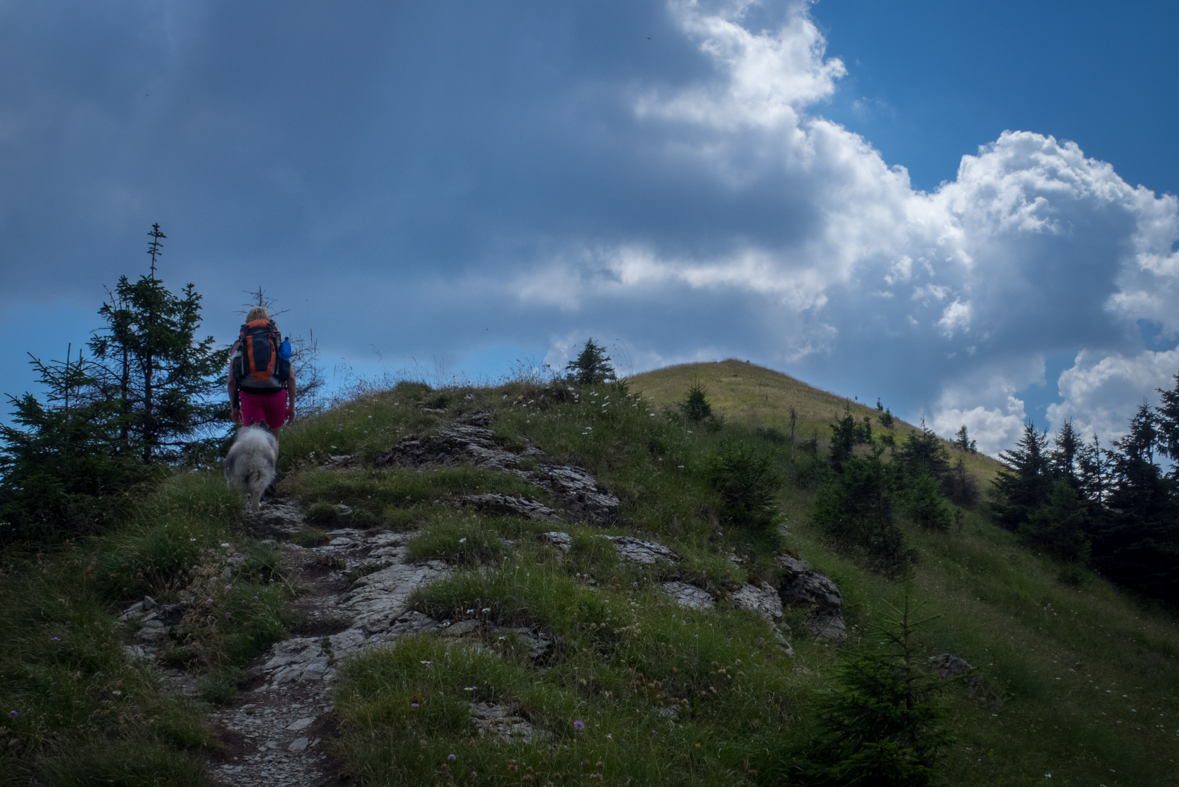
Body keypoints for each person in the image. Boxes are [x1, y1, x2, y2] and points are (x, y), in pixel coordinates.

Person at [228, 306, 296, 449]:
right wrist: (291, 406)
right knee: (273, 439)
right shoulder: (276, 341)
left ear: (248, 322)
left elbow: (231, 381)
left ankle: (254, 470)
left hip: (250, 395)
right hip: (276, 395)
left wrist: (234, 407)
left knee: (254, 440)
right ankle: (269, 471)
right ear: (267, 320)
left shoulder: (239, 344)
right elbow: (290, 377)